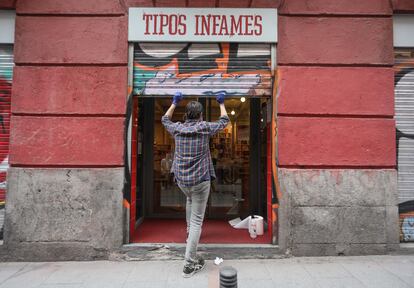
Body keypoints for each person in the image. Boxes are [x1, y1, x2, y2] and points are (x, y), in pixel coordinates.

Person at [161, 92, 229, 278]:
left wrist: (174, 103)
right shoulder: (205, 128)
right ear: (200, 115)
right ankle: (189, 264)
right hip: (200, 181)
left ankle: (190, 238)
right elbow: (224, 121)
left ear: (186, 114)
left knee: (190, 202)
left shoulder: (177, 129)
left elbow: (165, 119)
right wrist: (221, 102)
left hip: (182, 181)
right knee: (197, 220)